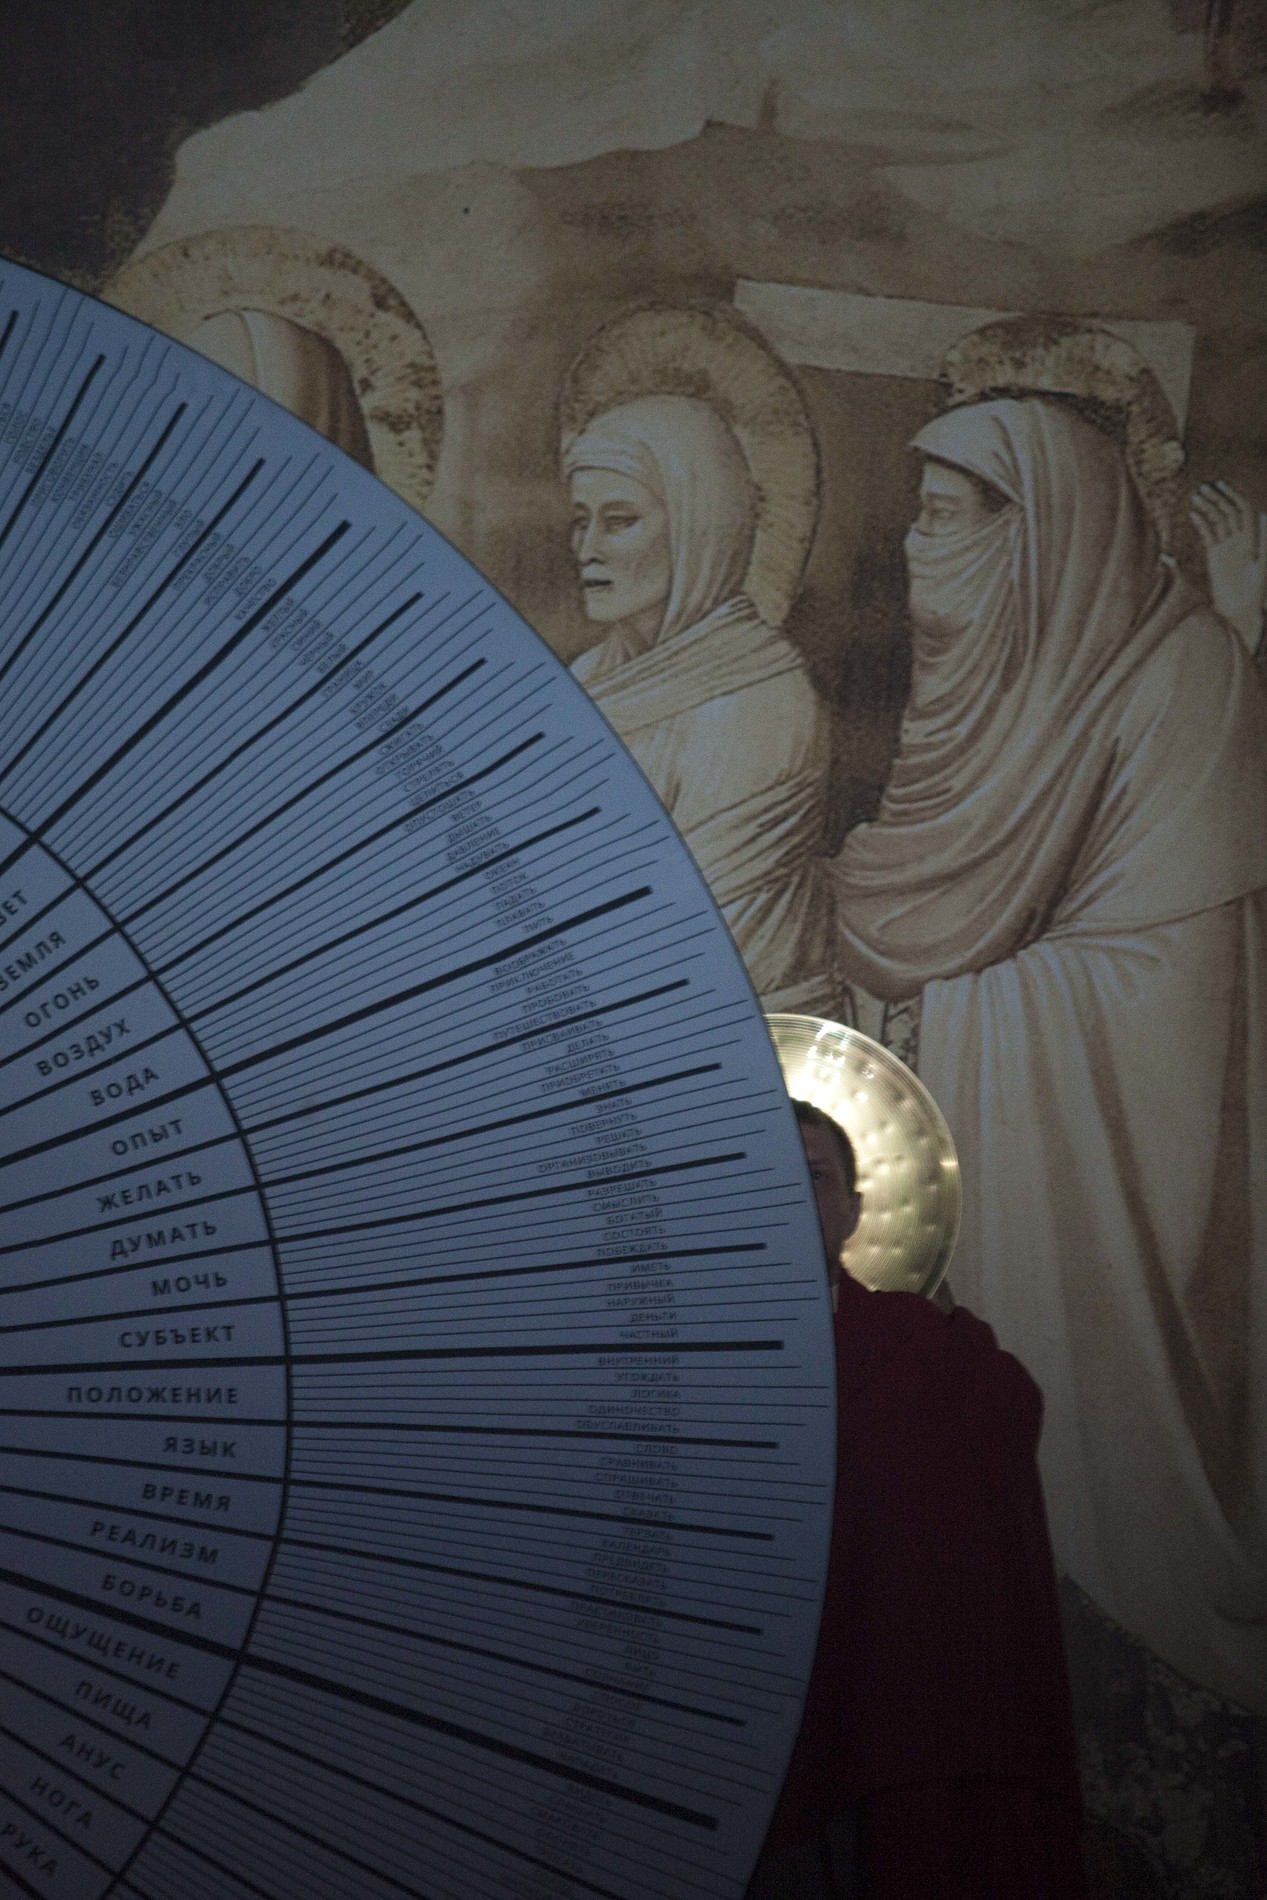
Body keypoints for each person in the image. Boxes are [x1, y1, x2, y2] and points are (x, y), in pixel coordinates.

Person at [830, 396, 1267, 1713]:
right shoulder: (988, 685)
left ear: (1035, 534)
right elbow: (915, 902)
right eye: (913, 517)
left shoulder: (1180, 676)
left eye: (940, 518)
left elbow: (1168, 993)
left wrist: (951, 1004)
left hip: (1111, 1193)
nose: (913, 546)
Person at [747, 1099, 1087, 1899]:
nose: (788, 1192)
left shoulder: (925, 1351)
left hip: (891, 1728)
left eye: (812, 1175)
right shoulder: (679, 1363)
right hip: (737, 1740)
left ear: (853, 1209)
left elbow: (996, 1432)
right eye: (763, 1175)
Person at [564, 392, 839, 1014]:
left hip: (719, 1030)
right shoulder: (590, 676)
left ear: (698, 526)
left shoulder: (761, 701)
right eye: (581, 521)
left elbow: (679, 929)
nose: (587, 549)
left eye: (619, 520)